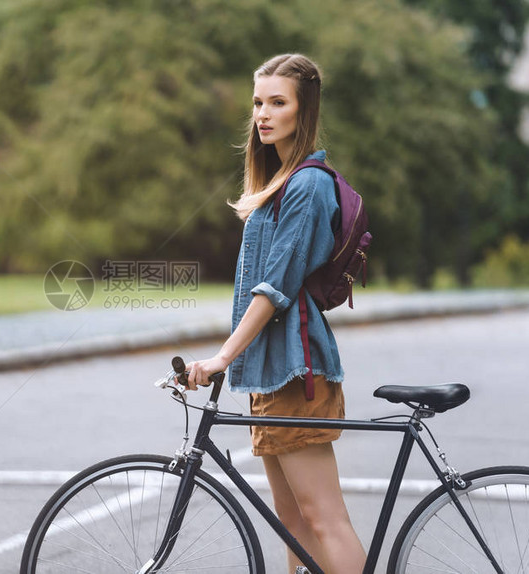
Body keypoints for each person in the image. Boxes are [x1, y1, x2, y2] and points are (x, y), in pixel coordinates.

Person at [181, 54, 367, 574]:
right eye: (258, 102)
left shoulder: (307, 185)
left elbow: (274, 289)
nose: (263, 114)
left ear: (303, 111)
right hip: (271, 374)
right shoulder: (277, 185)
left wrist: (221, 356)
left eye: (277, 103)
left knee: (323, 519)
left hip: (297, 372)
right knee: (295, 524)